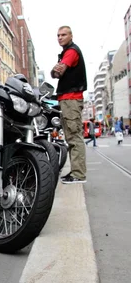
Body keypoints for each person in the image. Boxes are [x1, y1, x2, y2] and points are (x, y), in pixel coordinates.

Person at [51, 25, 87, 184]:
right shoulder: (67, 51)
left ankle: (79, 175)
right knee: (71, 137)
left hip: (71, 99)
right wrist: (55, 71)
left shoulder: (71, 51)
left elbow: (58, 71)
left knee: (74, 137)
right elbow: (55, 72)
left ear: (71, 36)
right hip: (67, 99)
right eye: (58, 35)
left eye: (63, 35)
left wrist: (56, 70)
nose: (60, 37)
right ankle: (76, 172)